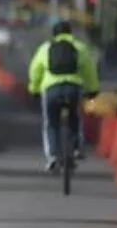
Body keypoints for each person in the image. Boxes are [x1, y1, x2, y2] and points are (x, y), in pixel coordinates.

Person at [27, 20, 100, 172]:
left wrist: (34, 89)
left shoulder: (45, 48)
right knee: (75, 117)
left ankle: (52, 156)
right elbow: (90, 70)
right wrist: (93, 89)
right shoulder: (80, 48)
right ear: (70, 33)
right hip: (73, 87)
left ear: (54, 34)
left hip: (51, 89)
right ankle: (76, 148)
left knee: (50, 123)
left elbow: (35, 70)